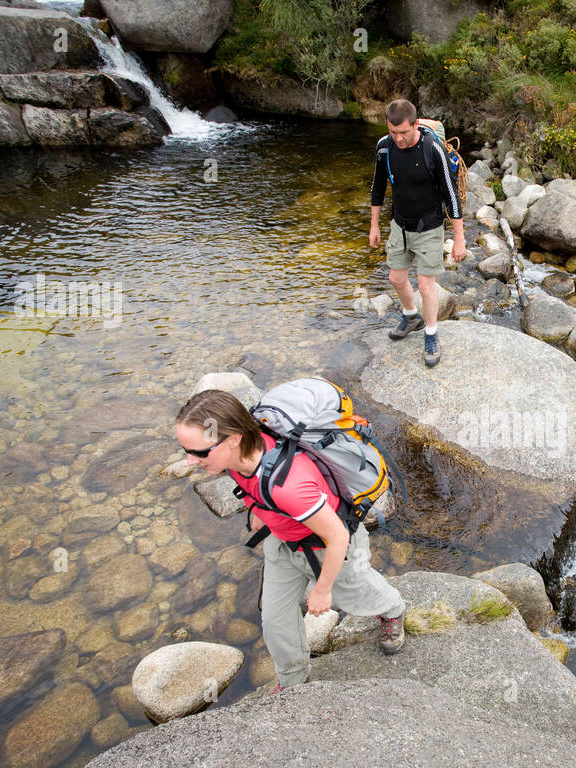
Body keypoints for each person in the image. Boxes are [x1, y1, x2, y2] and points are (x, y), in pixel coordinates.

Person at [174, 389, 406, 692]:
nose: (191, 461)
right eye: (185, 450)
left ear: (233, 438)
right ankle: (293, 682)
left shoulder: (290, 487)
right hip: (283, 541)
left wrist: (322, 591)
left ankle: (393, 610)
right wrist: (258, 509)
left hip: (326, 545)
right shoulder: (239, 451)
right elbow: (252, 483)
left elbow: (336, 536)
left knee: (357, 591)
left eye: (200, 452)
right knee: (275, 621)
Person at [368, 98, 466, 368]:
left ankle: (431, 334)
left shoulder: (432, 149)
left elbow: (452, 196)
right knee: (396, 278)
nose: (398, 138)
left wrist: (459, 238)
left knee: (425, 285)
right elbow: (377, 188)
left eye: (403, 132)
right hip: (400, 224)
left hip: (430, 226)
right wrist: (374, 225)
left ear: (415, 125)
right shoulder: (384, 148)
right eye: (393, 132)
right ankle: (411, 316)